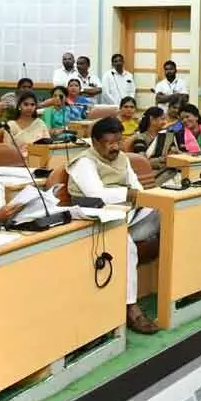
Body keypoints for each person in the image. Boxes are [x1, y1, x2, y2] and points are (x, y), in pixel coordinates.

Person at [66, 116, 161, 334]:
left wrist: (140, 197)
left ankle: (177, 286)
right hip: (96, 222)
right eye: (110, 143)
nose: (116, 147)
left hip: (127, 214)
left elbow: (138, 188)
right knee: (125, 244)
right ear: (96, 142)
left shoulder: (122, 158)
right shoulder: (84, 162)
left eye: (119, 142)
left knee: (167, 214)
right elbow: (96, 194)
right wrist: (128, 194)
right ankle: (131, 308)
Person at [129, 107, 175, 183]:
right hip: (153, 176)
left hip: (170, 171)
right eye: (162, 119)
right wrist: (163, 160)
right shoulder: (140, 138)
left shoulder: (167, 136)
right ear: (152, 119)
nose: (165, 122)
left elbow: (172, 156)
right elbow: (143, 163)